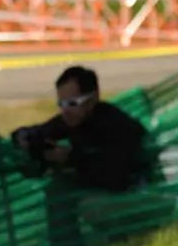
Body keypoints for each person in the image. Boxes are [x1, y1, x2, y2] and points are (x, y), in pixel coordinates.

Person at [11, 66, 149, 192]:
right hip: (104, 192)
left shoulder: (117, 126)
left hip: (133, 193)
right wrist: (24, 137)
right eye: (61, 104)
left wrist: (71, 159)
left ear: (92, 100)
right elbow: (40, 131)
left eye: (72, 103)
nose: (65, 110)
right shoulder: (74, 119)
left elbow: (115, 175)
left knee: (84, 202)